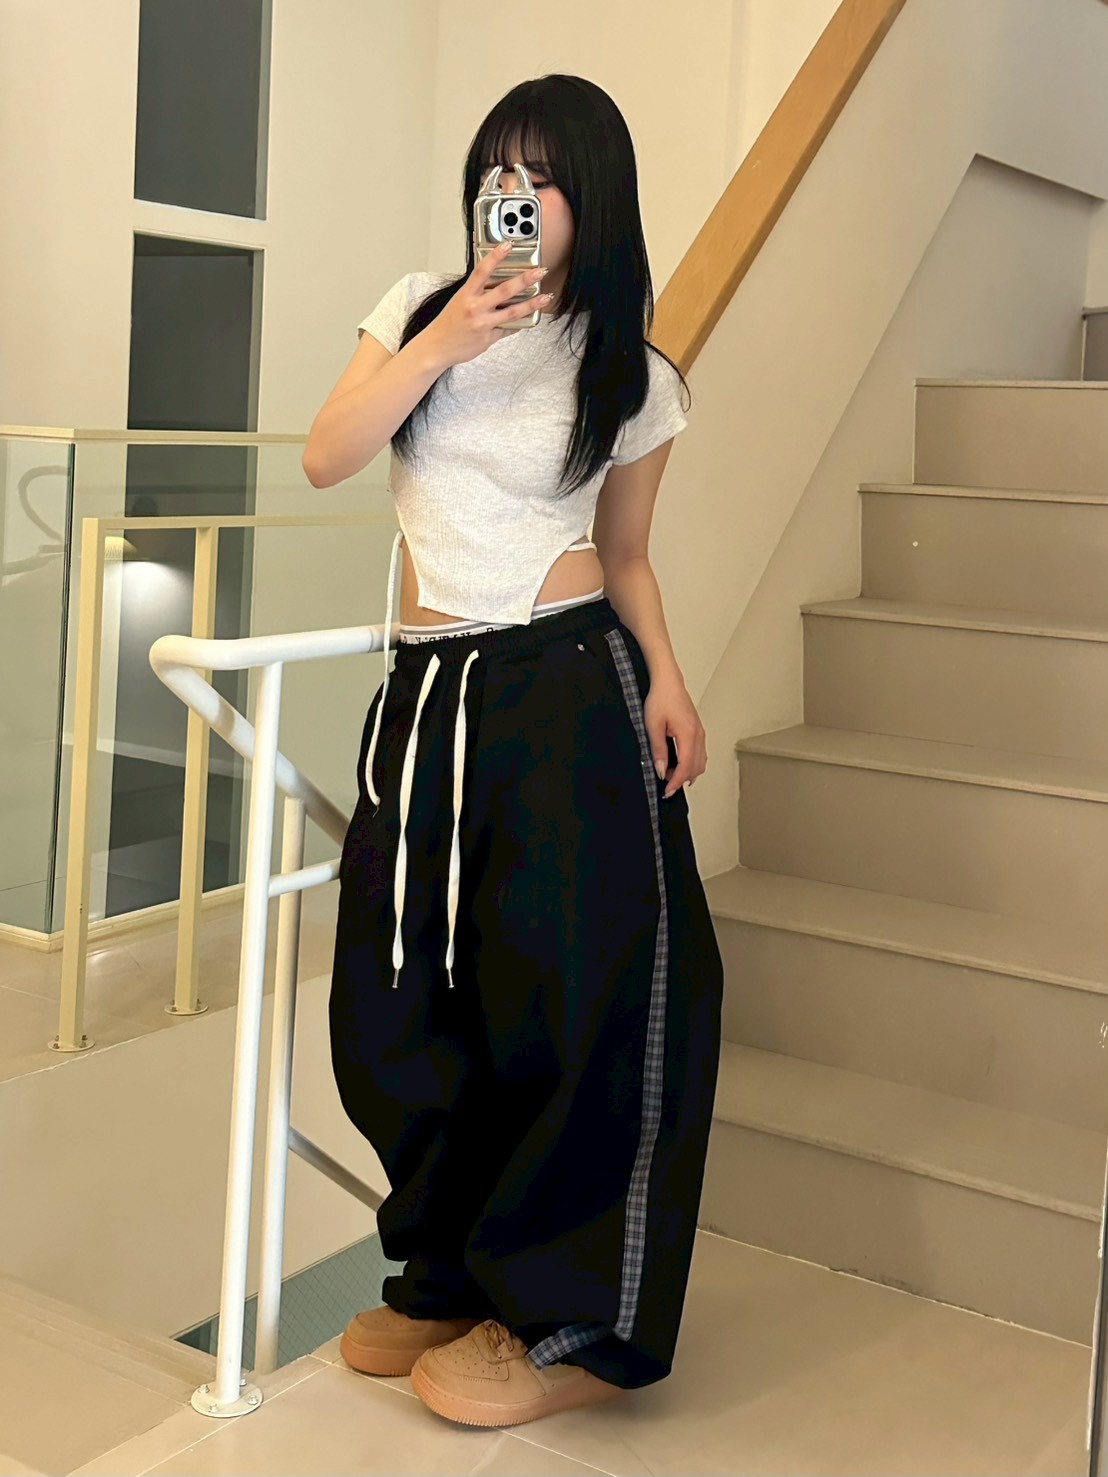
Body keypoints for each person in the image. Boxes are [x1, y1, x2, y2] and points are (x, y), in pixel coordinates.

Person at [303, 74, 724, 1430]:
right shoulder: (417, 307)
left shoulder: (632, 372)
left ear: (591, 198)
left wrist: (668, 682)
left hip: (564, 687)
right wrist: (446, 339)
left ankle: (561, 1325)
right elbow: (327, 455)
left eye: (544, 176)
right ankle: (447, 1272)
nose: (517, 194)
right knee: (397, 1001)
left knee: (566, 1000)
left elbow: (627, 554)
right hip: (425, 696)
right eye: (500, 170)